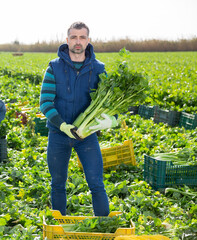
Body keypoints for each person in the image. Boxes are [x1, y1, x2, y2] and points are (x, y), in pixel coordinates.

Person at [39, 22, 118, 217]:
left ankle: (103, 226)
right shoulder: (54, 67)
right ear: (67, 40)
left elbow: (112, 102)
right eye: (74, 37)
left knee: (96, 182)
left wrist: (112, 121)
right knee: (57, 183)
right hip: (59, 134)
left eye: (82, 37)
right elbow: (45, 102)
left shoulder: (99, 69)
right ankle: (58, 226)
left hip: (87, 136)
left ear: (88, 40)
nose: (78, 41)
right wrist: (62, 125)